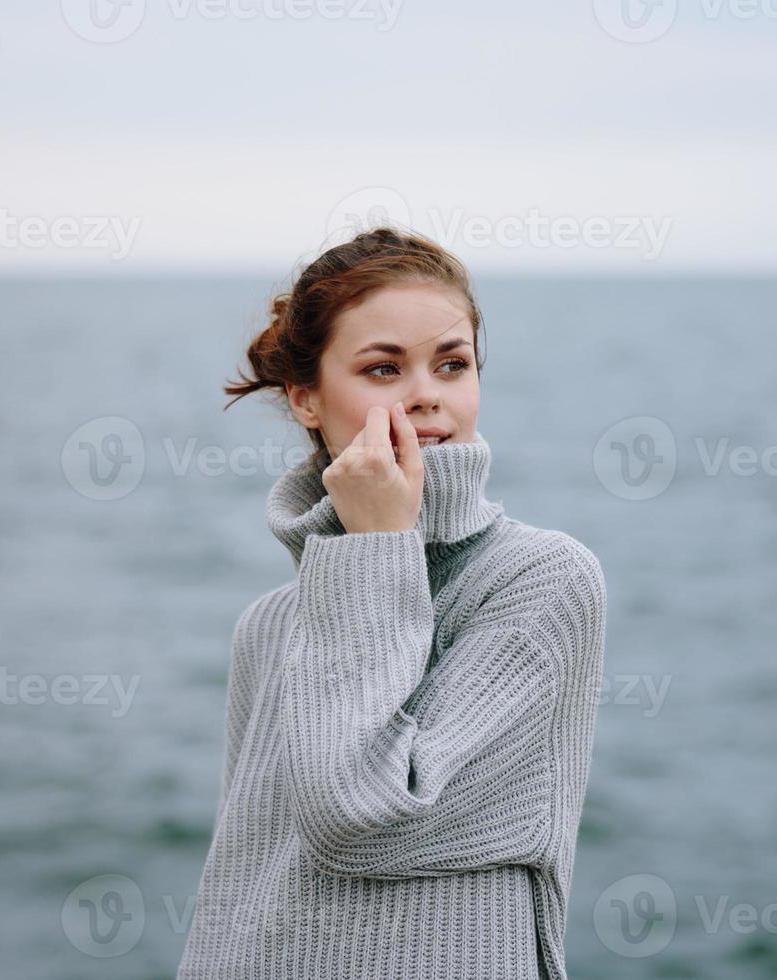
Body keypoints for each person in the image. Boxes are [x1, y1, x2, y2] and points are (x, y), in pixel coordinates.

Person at [175, 226, 608, 980]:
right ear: (306, 398)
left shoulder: (542, 581)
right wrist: (370, 549)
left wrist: (377, 546)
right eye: (383, 368)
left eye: (453, 364)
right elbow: (239, 882)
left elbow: (359, 818)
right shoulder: (272, 625)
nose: (427, 396)